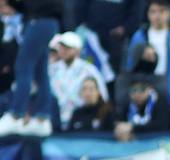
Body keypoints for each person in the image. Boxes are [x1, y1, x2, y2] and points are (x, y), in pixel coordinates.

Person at [0, 0, 61, 136]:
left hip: (40, 21)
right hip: (43, 21)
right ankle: (42, 120)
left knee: (23, 66)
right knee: (41, 72)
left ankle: (15, 115)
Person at [126, 0, 170, 104]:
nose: (157, 16)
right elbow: (131, 64)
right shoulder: (139, 37)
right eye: (153, 12)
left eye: (162, 11)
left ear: (169, 13)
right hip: (146, 91)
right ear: (148, 14)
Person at [48, 31, 109, 131]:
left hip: (80, 121)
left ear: (77, 50)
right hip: (54, 122)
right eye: (61, 47)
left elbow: (102, 96)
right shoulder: (51, 70)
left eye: (68, 48)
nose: (64, 51)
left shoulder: (89, 70)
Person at [113, 74, 170, 142]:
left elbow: (161, 126)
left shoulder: (160, 102)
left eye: (142, 89)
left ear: (150, 89)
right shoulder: (126, 103)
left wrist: (132, 127)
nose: (137, 94)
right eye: (134, 90)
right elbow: (118, 122)